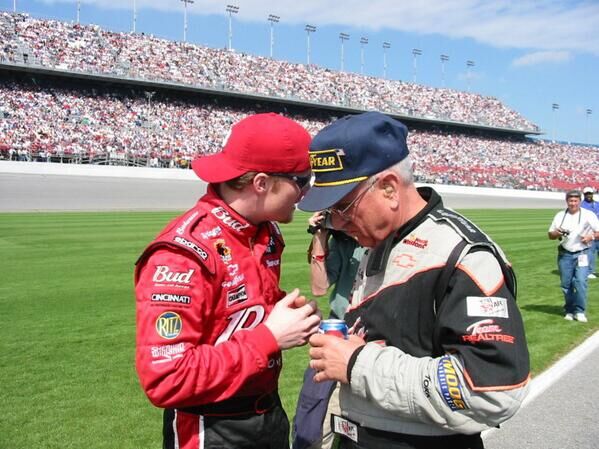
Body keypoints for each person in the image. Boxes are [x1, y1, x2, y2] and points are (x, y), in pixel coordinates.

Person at [299, 111, 531, 449]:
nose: (337, 224)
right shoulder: (380, 241)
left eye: (343, 209)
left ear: (390, 189)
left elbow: (492, 389)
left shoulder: (463, 256)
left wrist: (356, 364)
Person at [134, 113, 322, 449]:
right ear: (261, 183)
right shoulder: (183, 254)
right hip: (211, 428)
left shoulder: (265, 232)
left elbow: (238, 313)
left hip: (267, 414)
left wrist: (288, 315)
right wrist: (269, 336)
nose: (306, 193)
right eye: (302, 181)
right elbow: (167, 378)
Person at [292, 212, 366, 449]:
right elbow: (319, 286)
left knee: (362, 423)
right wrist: (320, 235)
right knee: (314, 417)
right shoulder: (343, 241)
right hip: (338, 331)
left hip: (371, 337)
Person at [548, 189, 599, 322]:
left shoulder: (589, 215)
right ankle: (569, 310)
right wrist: (557, 233)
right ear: (567, 201)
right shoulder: (560, 215)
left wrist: (591, 236)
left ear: (580, 201)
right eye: (570, 200)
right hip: (565, 254)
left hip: (583, 253)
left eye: (576, 201)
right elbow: (550, 235)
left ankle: (580, 310)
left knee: (581, 282)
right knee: (566, 284)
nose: (573, 203)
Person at [581, 186, 599, 279]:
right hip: (589, 233)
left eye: (590, 193)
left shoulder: (597, 204)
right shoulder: (581, 206)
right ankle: (589, 271)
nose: (588, 195)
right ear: (584, 195)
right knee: (590, 253)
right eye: (587, 194)